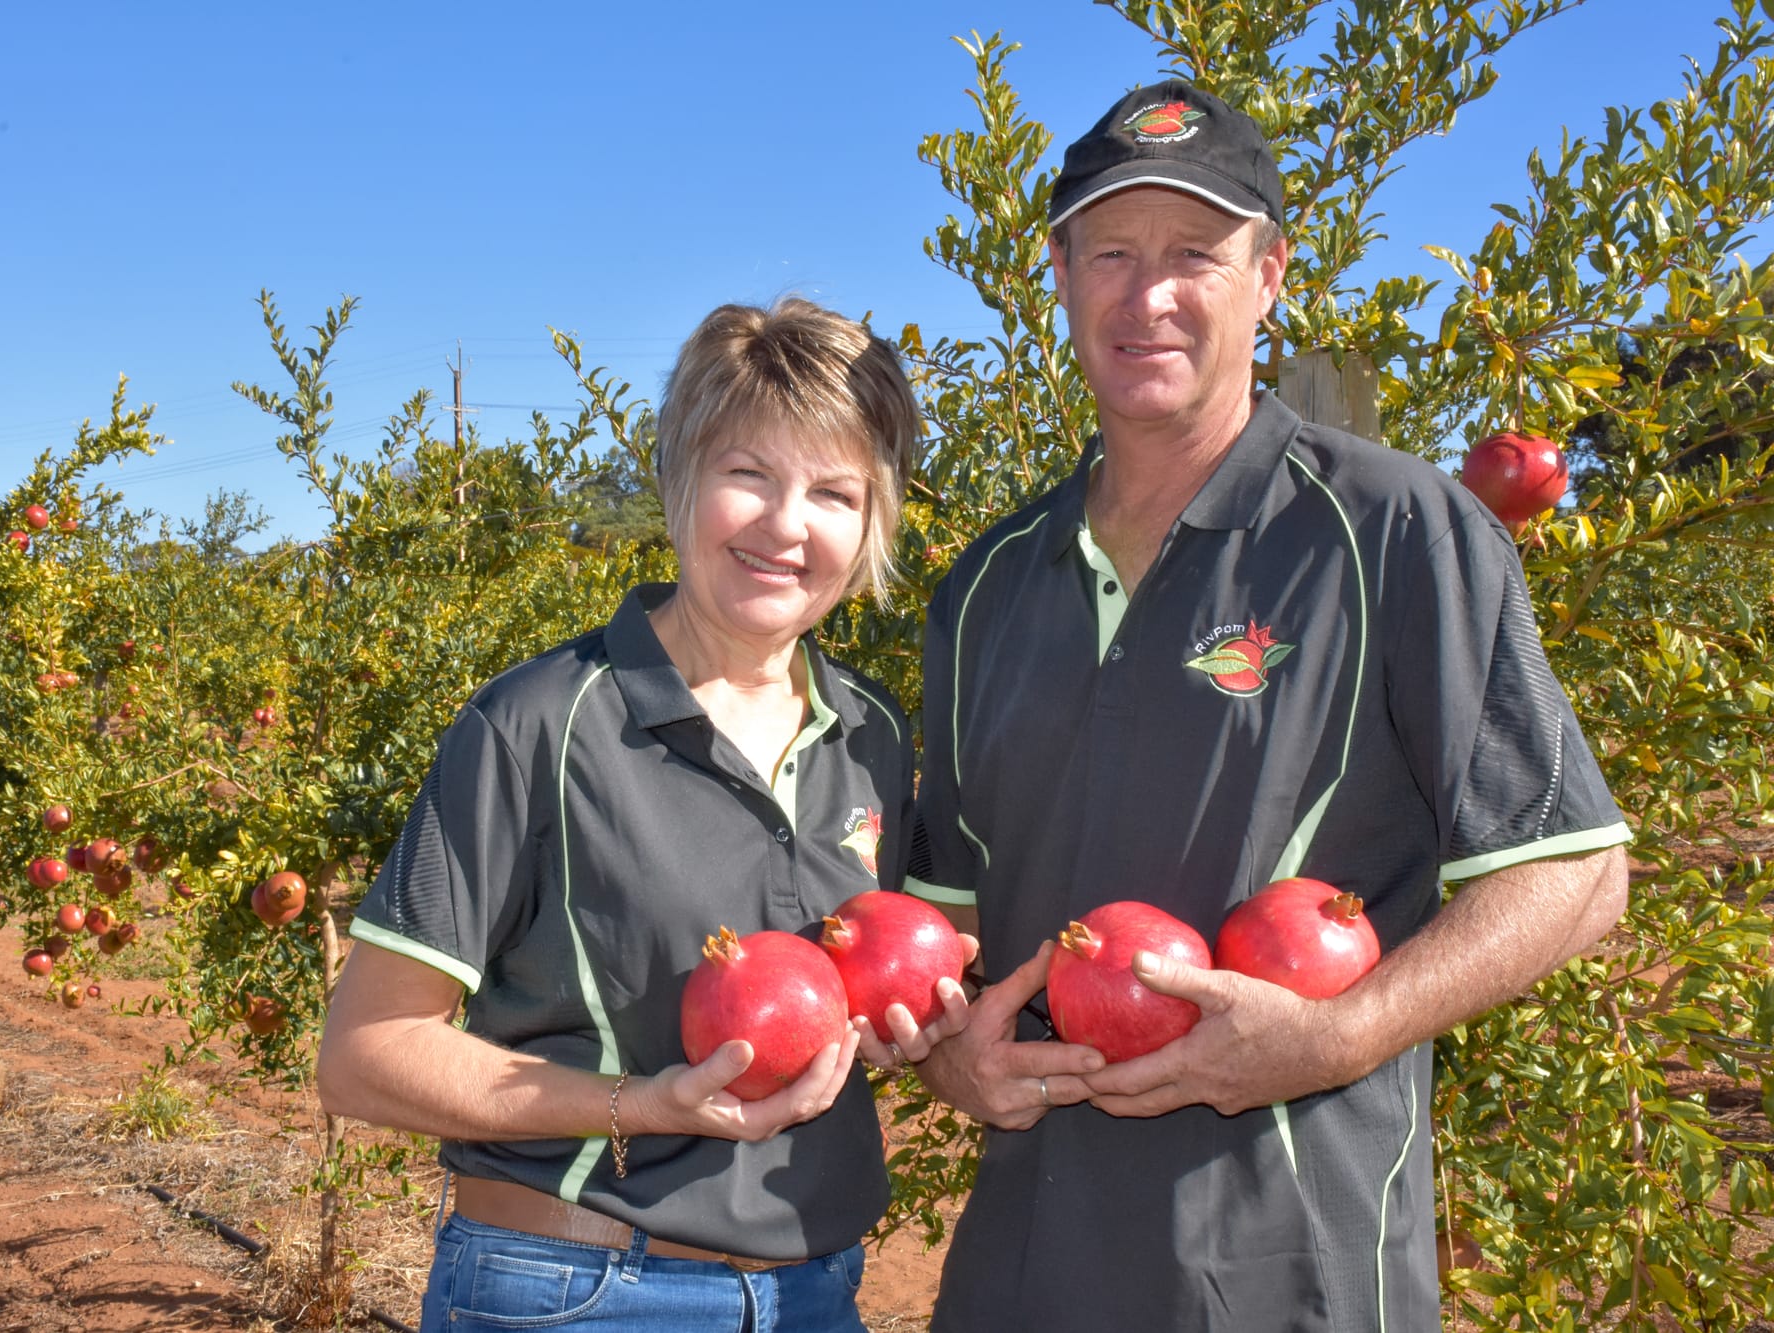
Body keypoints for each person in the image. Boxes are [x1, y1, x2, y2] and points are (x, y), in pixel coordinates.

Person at [904, 80, 1631, 1331]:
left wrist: (1343, 1033)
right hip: (1022, 1270)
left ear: (1268, 277)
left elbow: (1570, 872)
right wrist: (942, 1050)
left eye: (1194, 253)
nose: (1148, 296)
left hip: (1296, 1272)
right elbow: (945, 922)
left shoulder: (1395, 530)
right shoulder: (984, 584)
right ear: (1059, 277)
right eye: (1110, 253)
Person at [317, 297, 966, 1332]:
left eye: (834, 492)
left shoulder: (870, 731)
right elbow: (365, 1051)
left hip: (811, 1290)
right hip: (574, 1286)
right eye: (748, 473)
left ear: (872, 522)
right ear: (680, 479)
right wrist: (640, 1104)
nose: (785, 524)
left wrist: (908, 1028)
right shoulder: (538, 721)